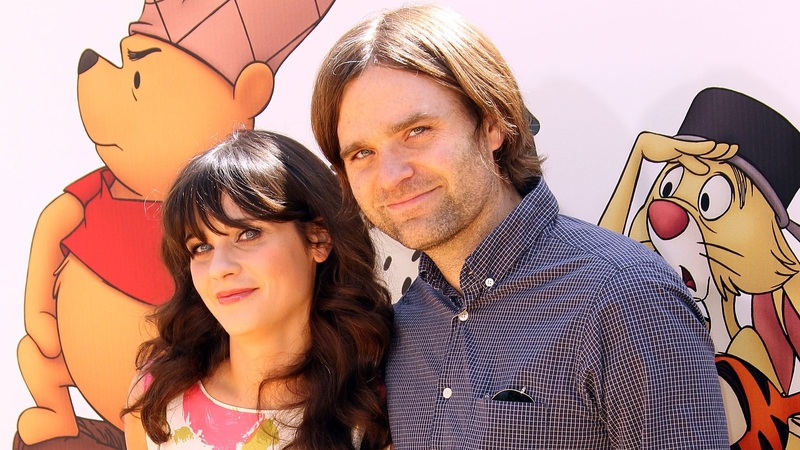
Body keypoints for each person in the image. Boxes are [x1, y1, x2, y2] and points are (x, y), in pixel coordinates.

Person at [311, 4, 729, 449]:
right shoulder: (405, 323)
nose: (392, 174)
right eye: (362, 154)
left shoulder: (623, 297)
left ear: (492, 124)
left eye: (417, 131)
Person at [122, 129, 393, 450]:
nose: (220, 267)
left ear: (318, 239)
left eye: (248, 234)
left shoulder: (376, 410)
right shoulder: (158, 396)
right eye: (201, 247)